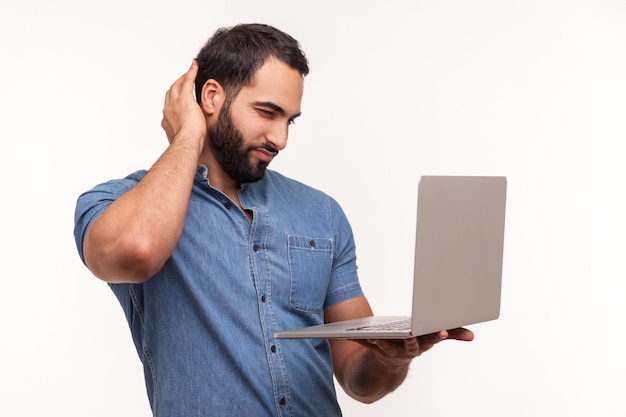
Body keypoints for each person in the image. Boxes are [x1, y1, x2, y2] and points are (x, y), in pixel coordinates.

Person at [73, 23, 473, 417]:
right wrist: (187, 135)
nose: (280, 139)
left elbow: (357, 376)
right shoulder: (121, 203)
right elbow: (134, 251)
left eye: (290, 120)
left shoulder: (322, 213)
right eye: (267, 112)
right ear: (210, 96)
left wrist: (391, 359)